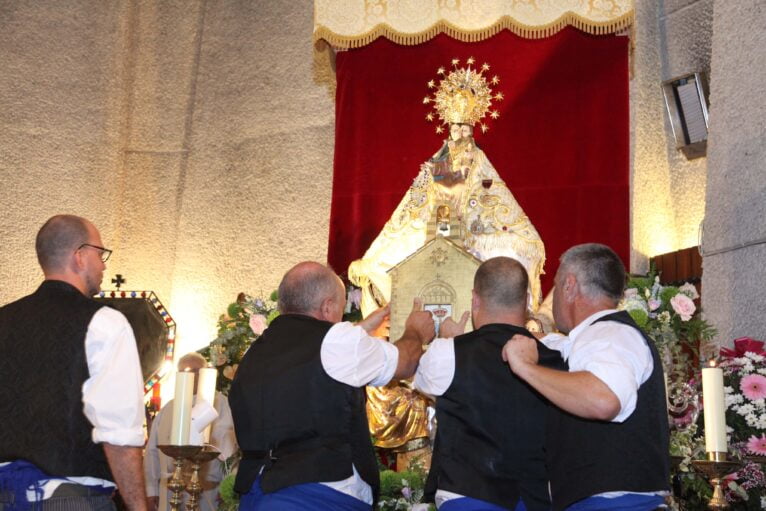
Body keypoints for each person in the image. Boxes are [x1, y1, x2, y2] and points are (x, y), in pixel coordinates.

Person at [228, 261, 435, 510]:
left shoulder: (256, 350)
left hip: (256, 492)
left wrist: (363, 329)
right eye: (339, 308)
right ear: (327, 307)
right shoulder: (337, 342)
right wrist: (415, 330)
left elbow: (312, 355)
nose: (341, 319)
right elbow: (406, 362)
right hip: (318, 495)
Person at [502, 244, 670, 511]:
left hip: (617, 506)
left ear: (569, 286)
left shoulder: (611, 335)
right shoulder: (592, 338)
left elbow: (603, 399)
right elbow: (558, 345)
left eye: (555, 286)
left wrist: (525, 367)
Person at [0, 214, 147, 510]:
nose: (104, 264)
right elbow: (119, 437)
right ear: (79, 256)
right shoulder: (105, 323)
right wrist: (139, 507)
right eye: (100, 253)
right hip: (69, 500)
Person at [348, 122, 546, 317]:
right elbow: (420, 213)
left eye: (465, 131)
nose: (460, 138)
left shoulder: (481, 172)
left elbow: (512, 232)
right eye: (455, 131)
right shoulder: (438, 167)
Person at [414, 257, 565, 511]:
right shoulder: (555, 355)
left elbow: (422, 384)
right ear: (528, 301)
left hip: (469, 494)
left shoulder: (448, 352)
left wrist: (449, 341)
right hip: (535, 498)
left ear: (475, 299)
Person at [144, 352, 237, 511]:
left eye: (196, 371)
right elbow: (152, 450)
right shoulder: (168, 409)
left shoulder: (222, 404)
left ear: (205, 372)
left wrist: (228, 483)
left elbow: (230, 448)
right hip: (169, 488)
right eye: (185, 371)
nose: (191, 375)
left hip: (206, 488)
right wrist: (151, 489)